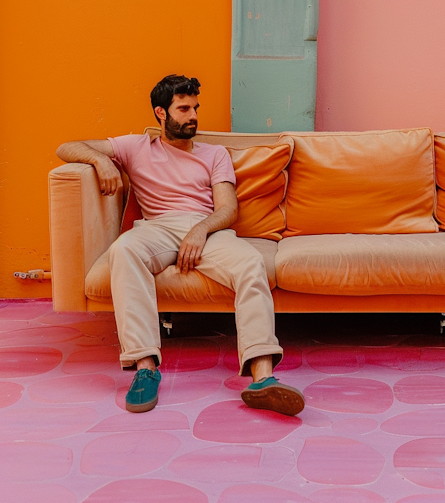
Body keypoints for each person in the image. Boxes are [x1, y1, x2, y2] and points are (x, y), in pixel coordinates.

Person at [56, 74, 304, 416]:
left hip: (206, 229)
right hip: (156, 228)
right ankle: (145, 368)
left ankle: (262, 378)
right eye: (184, 109)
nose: (193, 116)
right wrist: (100, 161)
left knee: (250, 263)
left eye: (195, 108)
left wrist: (200, 231)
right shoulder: (134, 146)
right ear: (161, 113)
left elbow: (228, 209)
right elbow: (66, 147)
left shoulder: (214, 154)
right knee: (124, 251)